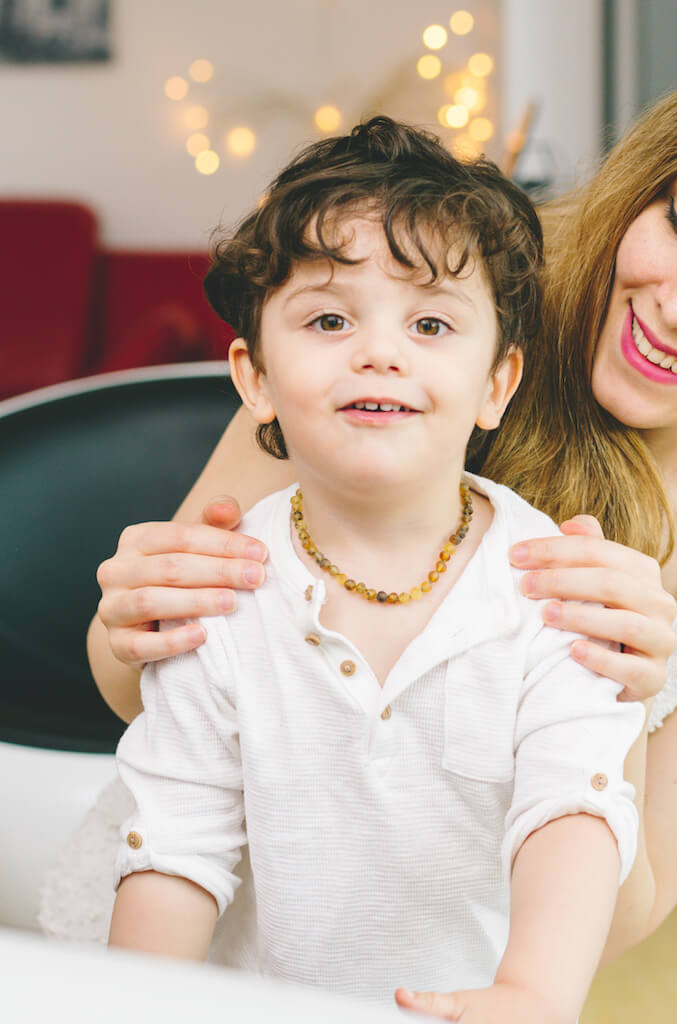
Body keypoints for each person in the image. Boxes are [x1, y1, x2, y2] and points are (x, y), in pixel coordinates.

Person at [55, 38, 677, 1012]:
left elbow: (614, 916)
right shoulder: (426, 303)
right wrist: (132, 624)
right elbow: (152, 700)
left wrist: (603, 693)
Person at [103, 116, 645, 1024]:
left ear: (498, 384)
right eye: (328, 318)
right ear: (256, 377)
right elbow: (173, 845)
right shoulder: (225, 587)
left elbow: (575, 805)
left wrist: (535, 993)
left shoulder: (554, 582)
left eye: (431, 322)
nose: (380, 350)